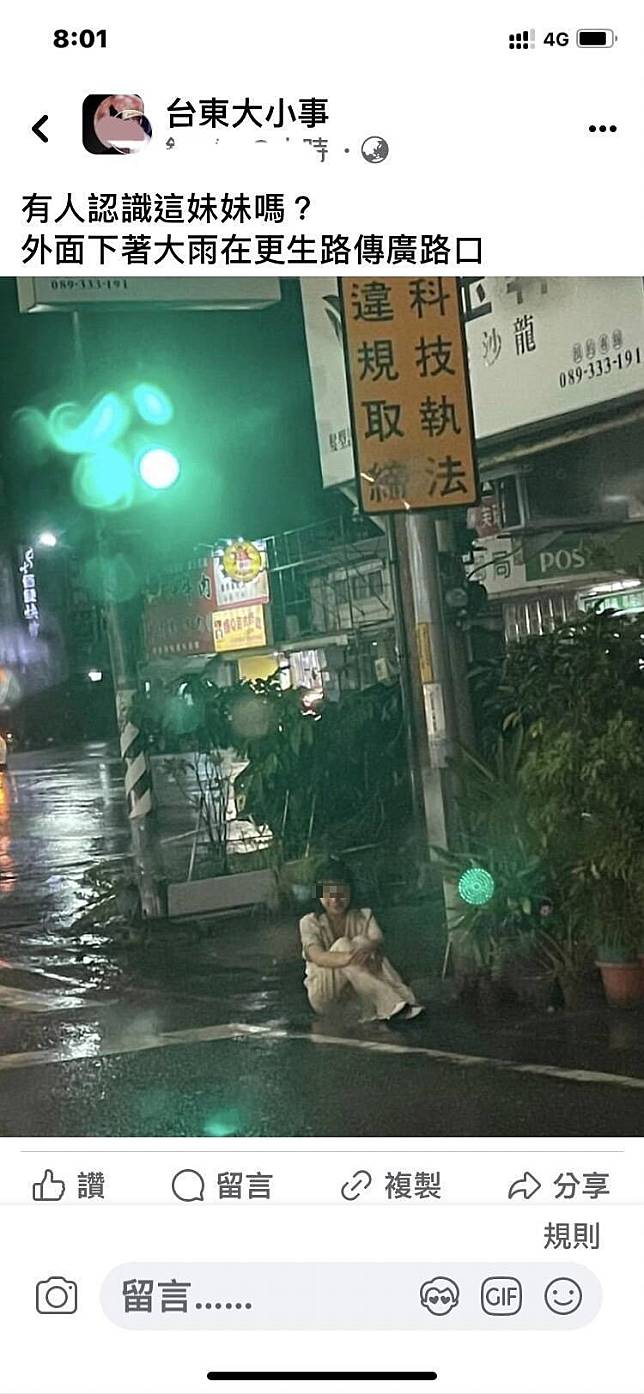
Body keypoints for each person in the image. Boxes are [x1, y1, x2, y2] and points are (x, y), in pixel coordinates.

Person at [299, 860, 423, 1024]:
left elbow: (377, 940)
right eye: (328, 893)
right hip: (326, 997)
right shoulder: (309, 922)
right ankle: (394, 1002)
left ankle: (393, 1002)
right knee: (345, 944)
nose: (335, 899)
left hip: (357, 998)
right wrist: (349, 957)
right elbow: (317, 956)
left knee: (363, 943)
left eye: (341, 892)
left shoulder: (364, 915)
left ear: (350, 891)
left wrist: (365, 949)